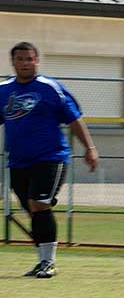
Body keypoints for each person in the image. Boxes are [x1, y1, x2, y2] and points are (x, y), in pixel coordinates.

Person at [1, 42, 100, 278]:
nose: (25, 63)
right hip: (18, 161)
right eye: (20, 59)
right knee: (33, 210)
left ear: (37, 61)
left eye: (29, 59)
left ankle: (48, 263)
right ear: (12, 62)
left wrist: (90, 147)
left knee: (39, 203)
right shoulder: (4, 91)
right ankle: (42, 261)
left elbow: (74, 119)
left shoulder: (50, 88)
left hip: (51, 157)